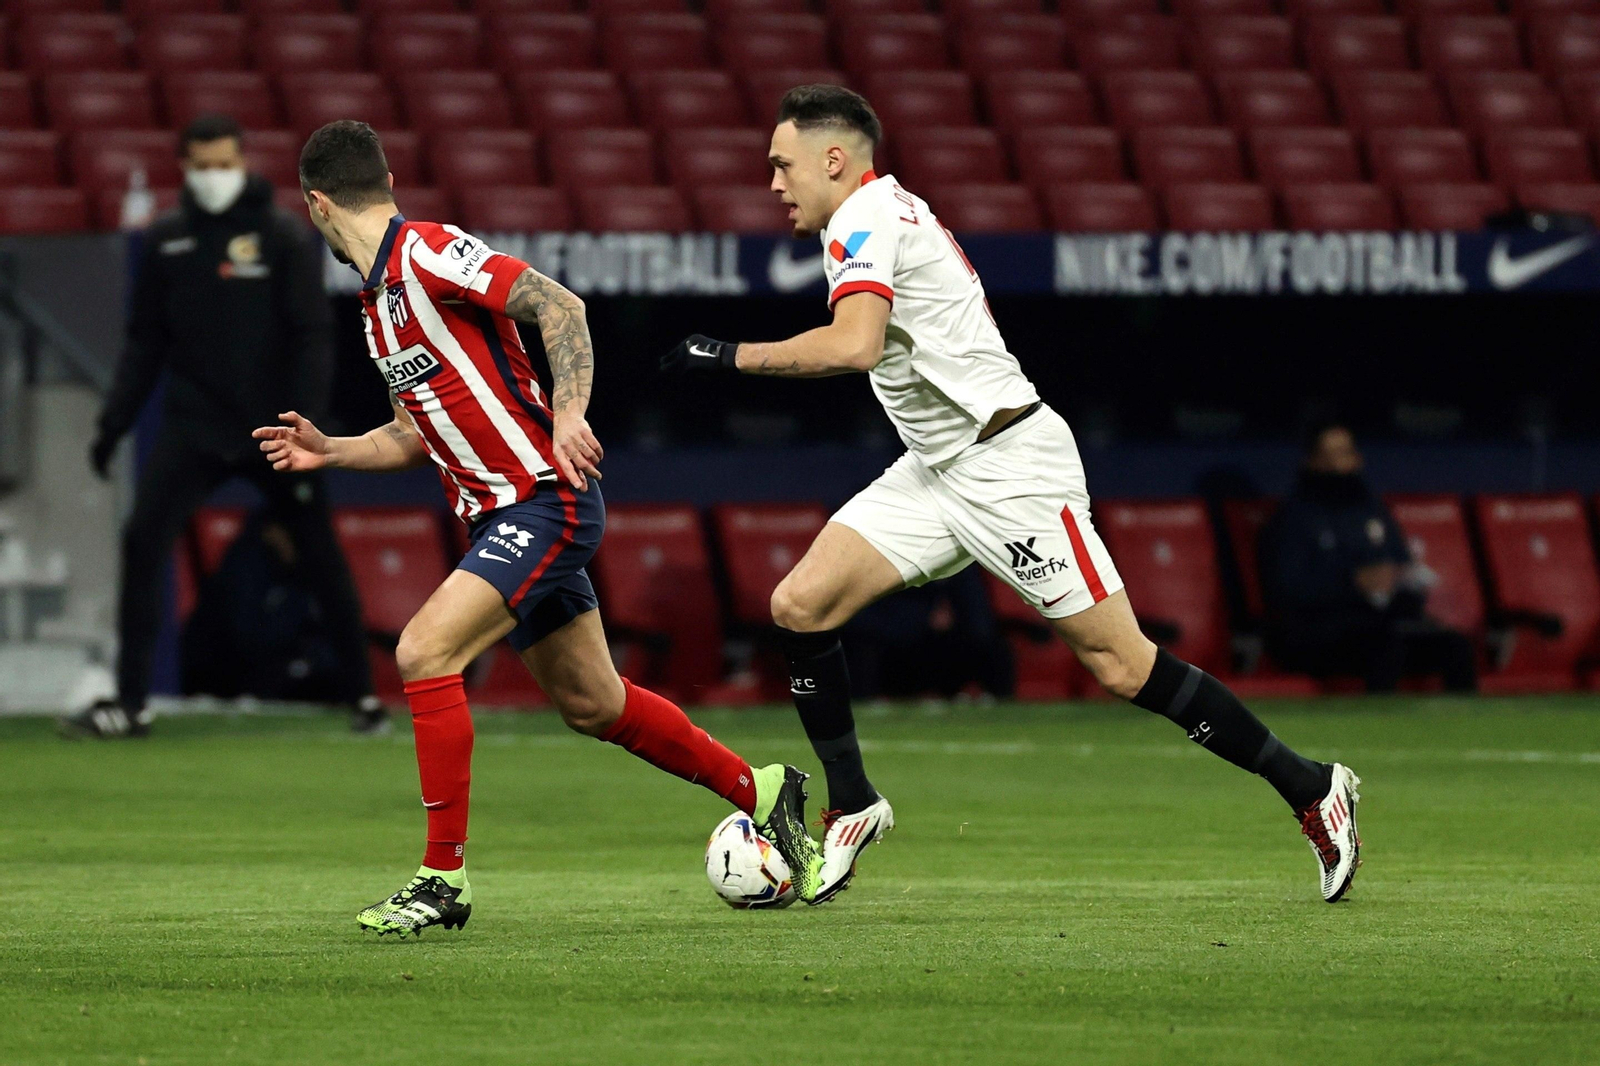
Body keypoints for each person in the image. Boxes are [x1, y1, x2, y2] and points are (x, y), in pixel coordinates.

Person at [662, 85, 1363, 905]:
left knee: (1121, 663)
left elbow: (854, 347)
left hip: (1011, 472)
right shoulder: (872, 218)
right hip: (937, 467)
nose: (773, 182)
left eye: (782, 164)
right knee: (800, 605)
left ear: (833, 159)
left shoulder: (865, 220)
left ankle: (1312, 787)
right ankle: (852, 803)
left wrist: (729, 356)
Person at [254, 120, 821, 937]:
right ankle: (765, 791)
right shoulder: (380, 309)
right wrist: (333, 451)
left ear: (315, 204)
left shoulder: (428, 251)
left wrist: (568, 415)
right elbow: (418, 433)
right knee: (594, 703)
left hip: (542, 501)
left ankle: (441, 879)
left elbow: (559, 304)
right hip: (503, 514)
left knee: (422, 651)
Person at [65, 114, 385, 739]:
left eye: (224, 164)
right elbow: (144, 345)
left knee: (319, 554)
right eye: (203, 165)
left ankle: (365, 699)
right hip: (195, 428)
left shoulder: (283, 237)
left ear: (242, 163)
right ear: (185, 167)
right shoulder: (168, 241)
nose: (216, 177)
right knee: (142, 542)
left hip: (275, 431)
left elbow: (312, 336)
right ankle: (132, 703)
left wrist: (307, 424)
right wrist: (112, 426)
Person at [1260, 422, 1478, 693]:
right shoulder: (1293, 518)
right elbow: (1287, 590)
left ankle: (1462, 731)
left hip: (1382, 623)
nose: (1337, 464)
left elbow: (1402, 565)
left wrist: (1400, 581)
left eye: (1344, 453)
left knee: (1453, 646)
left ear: (1357, 458)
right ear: (1311, 461)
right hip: (1320, 632)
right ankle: (1383, 730)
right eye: (1328, 455)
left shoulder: (1372, 510)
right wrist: (1353, 584)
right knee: (1386, 645)